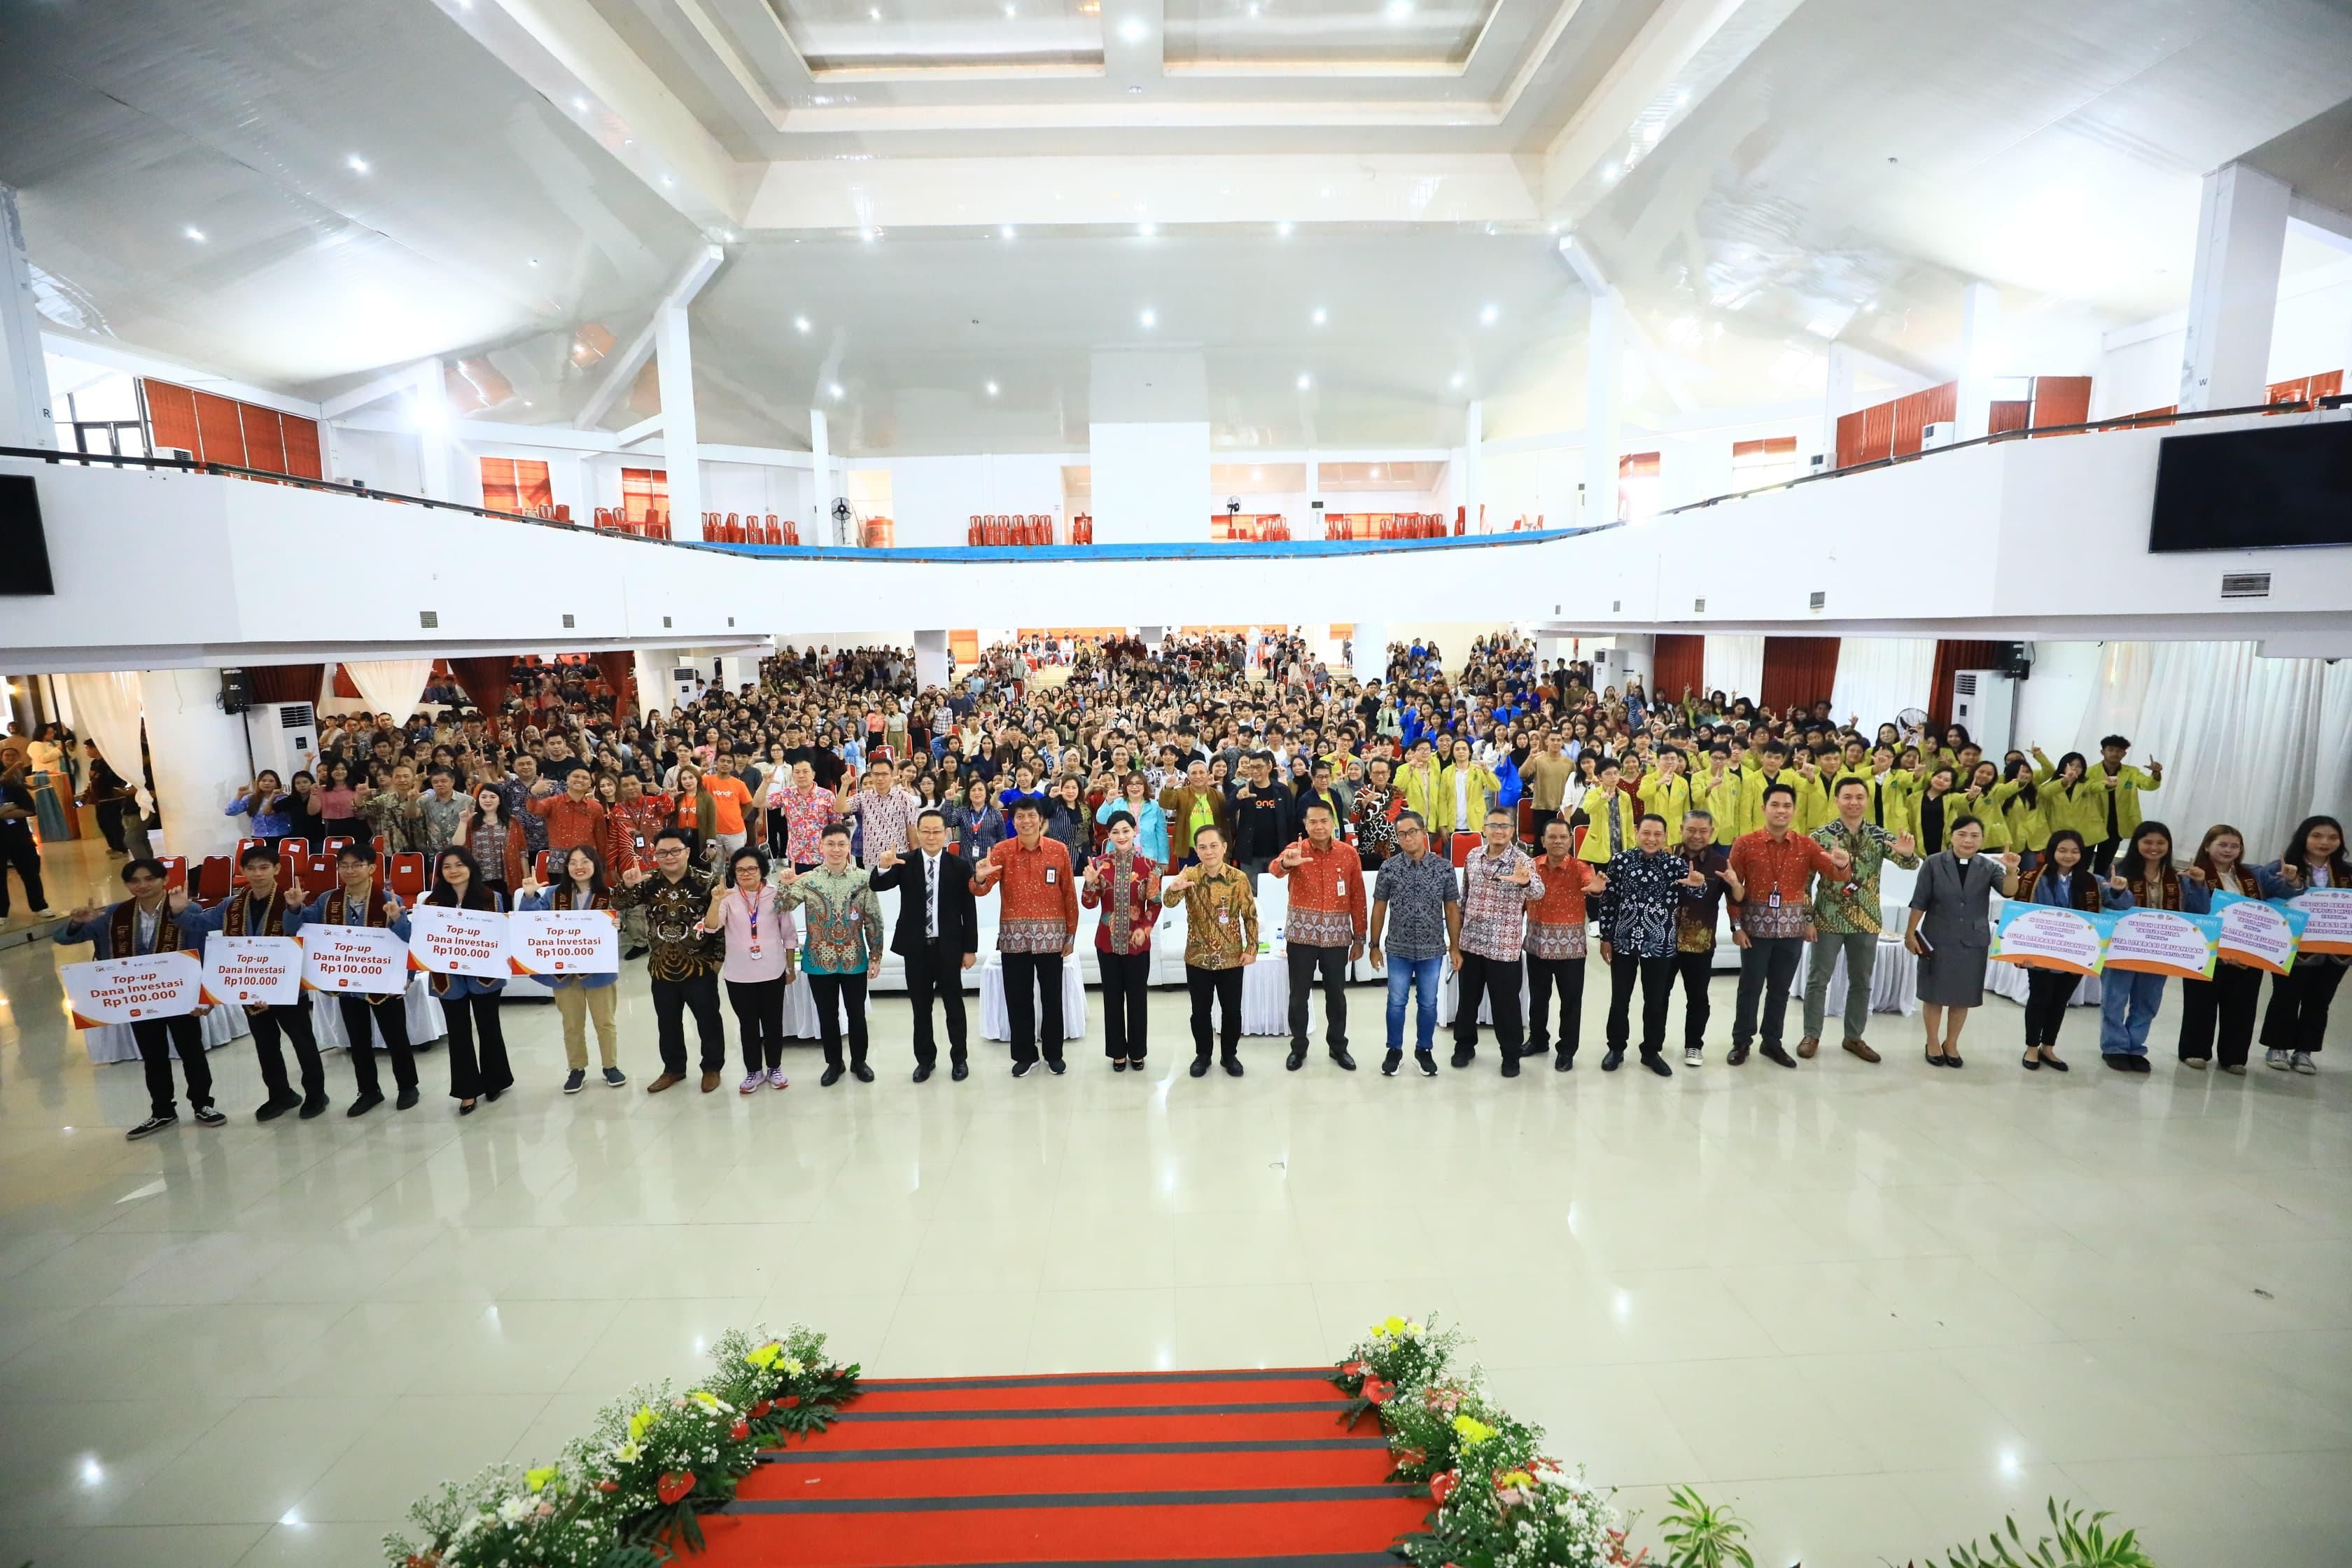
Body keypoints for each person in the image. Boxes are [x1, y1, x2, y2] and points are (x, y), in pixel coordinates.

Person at [55, 859, 227, 1138]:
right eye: (135, 881)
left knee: (191, 1050)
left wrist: (204, 995)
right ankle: (162, 1110)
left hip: (179, 995)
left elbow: (203, 952)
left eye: (149, 879)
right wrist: (76, 922)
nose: (142, 886)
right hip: (138, 998)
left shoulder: (186, 910)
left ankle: (203, 1105)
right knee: (153, 1055)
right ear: (126, 885)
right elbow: (63, 938)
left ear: (164, 879)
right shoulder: (115, 914)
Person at [179, 843, 326, 1119]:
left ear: (277, 869)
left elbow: (299, 930)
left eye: (264, 867)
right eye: (251, 868)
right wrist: (180, 911)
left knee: (302, 1041)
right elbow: (198, 924)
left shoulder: (291, 899)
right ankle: (280, 1094)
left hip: (286, 987)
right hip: (250, 986)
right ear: (242, 870)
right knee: (265, 1043)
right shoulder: (232, 905)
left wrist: (295, 909)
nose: (258, 874)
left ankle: (316, 1094)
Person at [1727, 783, 1850, 1068]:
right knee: (1750, 988)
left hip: (1791, 931)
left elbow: (1834, 873)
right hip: (1754, 931)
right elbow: (1733, 886)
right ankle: (1742, 1042)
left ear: (1794, 810)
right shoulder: (1745, 843)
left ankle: (1772, 1042)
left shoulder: (1806, 845)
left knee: (1780, 990)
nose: (1781, 811)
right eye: (1775, 805)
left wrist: (1842, 865)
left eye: (1787, 806)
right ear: (1764, 808)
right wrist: (1737, 927)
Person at [1800, 776, 1921, 1063]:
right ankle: (1811, 1035)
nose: (1853, 802)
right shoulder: (1820, 837)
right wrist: (1807, 918)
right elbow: (1805, 883)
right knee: (1819, 980)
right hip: (1828, 918)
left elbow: (1909, 864)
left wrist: (1908, 854)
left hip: (1866, 919)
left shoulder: (1880, 835)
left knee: (1862, 981)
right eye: (1847, 797)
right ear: (1836, 800)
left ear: (1866, 800)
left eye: (1859, 797)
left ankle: (1854, 1037)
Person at [301, 841, 421, 1114]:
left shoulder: (390, 900)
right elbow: (300, 927)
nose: (350, 870)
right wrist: (295, 908)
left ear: (372, 868)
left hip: (383, 981)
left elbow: (406, 940)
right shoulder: (327, 900)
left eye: (357, 865)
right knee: (358, 1040)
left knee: (395, 1037)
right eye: (344, 865)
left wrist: (408, 975)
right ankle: (369, 1091)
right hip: (348, 983)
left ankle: (407, 1086)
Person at [972, 794, 1081, 1077]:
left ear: (1041, 820)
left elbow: (1069, 893)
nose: (1026, 821)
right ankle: (1025, 1055)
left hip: (1051, 937)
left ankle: (1054, 1054)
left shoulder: (1058, 851)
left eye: (1031, 816)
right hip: (1014, 939)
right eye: (1020, 817)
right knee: (1018, 999)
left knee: (1052, 999)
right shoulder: (1002, 851)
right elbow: (980, 890)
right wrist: (981, 876)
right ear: (1013, 821)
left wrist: (1070, 935)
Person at [615, 827, 727, 1093]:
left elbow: (720, 922)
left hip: (699, 964)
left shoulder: (706, 881)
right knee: (667, 1022)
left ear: (687, 852)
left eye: (675, 851)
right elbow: (619, 902)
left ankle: (712, 1067)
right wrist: (627, 884)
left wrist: (718, 958)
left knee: (708, 1019)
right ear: (655, 855)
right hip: (661, 967)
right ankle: (673, 1069)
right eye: (663, 852)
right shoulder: (648, 881)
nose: (670, 857)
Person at [1905, 815, 2022, 1068]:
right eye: (1962, 834)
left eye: (1974, 836)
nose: (1968, 840)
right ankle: (1933, 1041)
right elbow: (1919, 900)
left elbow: (2009, 891)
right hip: (1938, 936)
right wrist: (1910, 932)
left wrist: (2012, 870)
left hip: (1972, 939)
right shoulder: (1934, 863)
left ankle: (1952, 1043)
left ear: (1982, 840)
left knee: (1962, 996)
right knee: (1934, 994)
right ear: (1952, 836)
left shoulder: (1989, 867)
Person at [872, 809, 980, 1082]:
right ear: (918, 834)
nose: (932, 837)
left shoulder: (960, 866)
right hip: (916, 949)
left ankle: (959, 1059)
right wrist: (884, 864)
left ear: (947, 834)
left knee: (954, 1006)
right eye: (926, 831)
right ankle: (925, 1060)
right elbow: (877, 885)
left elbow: (969, 910)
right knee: (921, 1009)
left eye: (937, 832)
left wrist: (970, 949)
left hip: (949, 948)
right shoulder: (904, 862)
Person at [1598, 813, 1708, 1075]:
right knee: (1620, 999)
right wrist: (1605, 938)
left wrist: (1698, 886)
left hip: (1659, 943)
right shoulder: (1621, 861)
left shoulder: (1674, 865)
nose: (1651, 839)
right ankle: (1616, 1048)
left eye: (1658, 834)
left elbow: (1693, 892)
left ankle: (1651, 1051)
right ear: (1637, 832)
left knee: (1655, 1001)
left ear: (1665, 836)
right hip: (1623, 940)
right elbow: (1609, 902)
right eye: (1646, 833)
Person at [2094, 819, 2205, 1072]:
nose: (2154, 848)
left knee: (2148, 1001)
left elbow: (2199, 911)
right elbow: (2109, 905)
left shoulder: (2179, 879)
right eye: (2148, 842)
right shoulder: (2119, 873)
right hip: (2123, 947)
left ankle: (2135, 1046)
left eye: (2160, 843)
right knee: (2115, 998)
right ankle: (2114, 1046)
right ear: (2137, 844)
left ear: (2168, 846)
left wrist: (2199, 885)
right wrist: (2118, 892)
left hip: (2161, 951)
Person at [774, 825, 881, 1086]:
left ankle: (859, 1062)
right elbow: (781, 907)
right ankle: (834, 1063)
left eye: (841, 844)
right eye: (830, 844)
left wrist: (876, 956)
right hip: (819, 960)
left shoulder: (863, 879)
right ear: (821, 847)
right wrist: (785, 885)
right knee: (827, 1014)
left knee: (856, 1014)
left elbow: (874, 920)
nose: (836, 849)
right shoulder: (809, 879)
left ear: (848, 847)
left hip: (854, 958)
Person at [515, 845, 627, 1093]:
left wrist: (620, 925)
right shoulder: (554, 894)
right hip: (564, 973)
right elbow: (532, 923)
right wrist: (531, 896)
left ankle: (611, 1066)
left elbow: (622, 925)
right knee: (572, 1024)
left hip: (598, 971)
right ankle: (577, 1068)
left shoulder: (608, 894)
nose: (579, 867)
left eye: (585, 861)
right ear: (566, 868)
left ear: (595, 865)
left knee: (605, 1022)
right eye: (573, 862)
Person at [1270, 799, 1365, 1072]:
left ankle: (1338, 1047)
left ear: (1333, 822)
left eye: (1324, 821)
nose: (1319, 826)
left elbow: (1357, 895)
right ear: (1305, 824)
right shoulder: (1295, 849)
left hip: (1336, 937)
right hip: (1301, 936)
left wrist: (1359, 937)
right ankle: (1298, 1047)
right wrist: (1288, 865)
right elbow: (1275, 870)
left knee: (1336, 995)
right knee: (1298, 995)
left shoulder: (1348, 853)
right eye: (1313, 821)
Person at [420, 846, 512, 1114]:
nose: (454, 871)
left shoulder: (490, 897)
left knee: (489, 1028)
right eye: (447, 867)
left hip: (484, 975)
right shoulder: (431, 903)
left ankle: (496, 1081)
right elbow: (422, 940)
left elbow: (501, 934)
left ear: (471, 867)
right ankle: (467, 1091)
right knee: (458, 1034)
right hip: (447, 978)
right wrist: (398, 920)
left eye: (459, 865)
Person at [1452, 806, 1545, 1076]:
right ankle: (1464, 1046)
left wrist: (1525, 883)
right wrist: (1456, 942)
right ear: (1484, 829)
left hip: (1504, 946)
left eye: (1505, 826)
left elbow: (1539, 891)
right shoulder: (1472, 856)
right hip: (1471, 942)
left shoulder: (1522, 860)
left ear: (1513, 831)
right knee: (1468, 999)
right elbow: (1464, 898)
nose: (1499, 831)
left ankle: (1511, 1055)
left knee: (1506, 1003)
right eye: (1493, 825)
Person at [1366, 811, 1460, 1078]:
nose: (1407, 838)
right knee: (1396, 1002)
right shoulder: (1389, 868)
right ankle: (1394, 1050)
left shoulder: (1443, 868)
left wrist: (1454, 946)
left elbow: (1452, 910)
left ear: (1423, 832)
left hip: (1432, 949)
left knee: (1429, 1003)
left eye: (1412, 832)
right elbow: (1379, 908)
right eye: (1401, 834)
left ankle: (1424, 1050)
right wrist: (1374, 945)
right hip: (1398, 948)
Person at [699, 846, 797, 1095]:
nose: (745, 874)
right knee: (748, 1025)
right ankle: (753, 1070)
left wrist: (789, 967)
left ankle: (775, 1068)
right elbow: (711, 928)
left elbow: (789, 934)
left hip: (773, 971)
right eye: (740, 869)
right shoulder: (728, 898)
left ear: (761, 870)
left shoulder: (776, 894)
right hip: (739, 975)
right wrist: (716, 901)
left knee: (774, 1023)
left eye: (751, 868)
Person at [1161, 822, 1256, 1076]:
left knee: (1232, 1012)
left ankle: (1229, 1055)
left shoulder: (1239, 879)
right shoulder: (1190, 875)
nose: (1209, 851)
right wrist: (1174, 887)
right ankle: (1203, 1054)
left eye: (1214, 845)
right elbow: (1168, 903)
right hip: (1198, 957)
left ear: (1224, 847)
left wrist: (1252, 948)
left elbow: (1250, 917)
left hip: (1232, 958)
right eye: (1202, 847)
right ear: (1196, 850)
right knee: (1199, 1012)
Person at [2255, 815, 2346, 1074]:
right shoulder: (2282, 865)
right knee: (2286, 995)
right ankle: (2277, 1046)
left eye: (2332, 837)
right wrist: (2288, 881)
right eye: (2317, 836)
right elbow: (2266, 897)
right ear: (2304, 837)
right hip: (2291, 946)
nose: (2325, 842)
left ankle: (2305, 1050)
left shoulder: (2347, 873)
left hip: (2335, 951)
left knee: (2320, 1000)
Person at [2174, 825, 2262, 1074]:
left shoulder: (2252, 875)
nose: (2229, 850)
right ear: (2207, 846)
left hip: (2247, 951)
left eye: (2235, 846)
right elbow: (2195, 911)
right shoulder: (2192, 875)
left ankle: (2234, 1056)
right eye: (2222, 844)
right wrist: (2200, 884)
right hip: (2208, 949)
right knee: (2200, 1002)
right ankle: (2195, 1050)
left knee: (2243, 1005)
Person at [1080, 809, 1163, 1071]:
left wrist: (1145, 928)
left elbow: (1156, 903)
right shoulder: (1100, 865)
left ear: (1135, 831)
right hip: (1107, 943)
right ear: (1109, 835)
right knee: (1112, 999)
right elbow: (1089, 904)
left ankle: (1137, 1051)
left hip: (1138, 945)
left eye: (1126, 830)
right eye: (1115, 832)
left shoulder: (1150, 866)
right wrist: (1091, 884)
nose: (1121, 835)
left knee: (1138, 999)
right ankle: (1117, 1052)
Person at [2015, 830, 2098, 1072]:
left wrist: (2118, 890)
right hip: (2040, 953)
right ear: (2052, 851)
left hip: (2075, 953)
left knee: (2060, 1001)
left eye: (2075, 851)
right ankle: (2032, 1047)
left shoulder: (2091, 882)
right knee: (2040, 998)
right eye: (2063, 850)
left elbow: (2117, 904)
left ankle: (2048, 1047)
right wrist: (2019, 952)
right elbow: (2021, 913)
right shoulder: (2033, 878)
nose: (2069, 855)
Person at [1668, 808, 1739, 1068]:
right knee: (1658, 996)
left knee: (1698, 998)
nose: (1697, 836)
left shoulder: (1720, 863)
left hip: (1700, 941)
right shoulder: (1666, 856)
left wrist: (1735, 883)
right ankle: (1652, 1045)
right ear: (1681, 829)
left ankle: (1694, 1046)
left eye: (1703, 831)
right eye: (1691, 830)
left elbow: (1738, 899)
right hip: (1664, 940)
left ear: (1711, 833)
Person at [2085, 735, 2163, 876]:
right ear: (2103, 752)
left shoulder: (2132, 772)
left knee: (2104, 864)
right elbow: (2087, 788)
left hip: (2116, 826)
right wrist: (2105, 785)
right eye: (2111, 749)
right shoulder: (2090, 772)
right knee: (2083, 861)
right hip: (2091, 823)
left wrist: (2156, 774)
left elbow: (2148, 785)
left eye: (2119, 751)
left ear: (2124, 754)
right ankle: (2079, 892)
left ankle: (2098, 892)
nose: (2115, 753)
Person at [839, 760, 923, 869]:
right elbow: (840, 808)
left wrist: (916, 859)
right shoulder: (863, 797)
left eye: (884, 774)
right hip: (872, 859)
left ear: (892, 774)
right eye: (876, 774)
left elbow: (912, 831)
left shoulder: (904, 798)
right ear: (871, 775)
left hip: (899, 857)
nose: (880, 778)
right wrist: (844, 786)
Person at [1228, 754, 1296, 890]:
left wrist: (1290, 849)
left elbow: (1291, 821)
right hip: (1250, 855)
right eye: (1251, 767)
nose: (1255, 771)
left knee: (1277, 892)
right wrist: (1238, 799)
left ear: (1269, 767)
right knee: (1252, 895)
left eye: (1259, 767)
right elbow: (1227, 813)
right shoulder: (1242, 790)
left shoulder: (1282, 791)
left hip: (1277, 854)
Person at [0, 762, 50, 920]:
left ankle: (40, 906)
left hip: (19, 837)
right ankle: (2, 913)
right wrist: (8, 809)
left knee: (30, 873)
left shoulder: (14, 788)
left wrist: (4, 814)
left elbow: (30, 809)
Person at [1160, 758, 1230, 869]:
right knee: (1190, 883)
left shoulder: (1218, 796)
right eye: (1194, 773)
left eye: (1202, 772)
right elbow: (1166, 804)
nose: (1198, 776)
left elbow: (1225, 825)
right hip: (1189, 850)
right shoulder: (1181, 793)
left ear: (1208, 774)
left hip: (1214, 850)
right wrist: (1168, 789)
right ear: (1188, 776)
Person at [1575, 755, 1640, 866]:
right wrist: (1602, 799)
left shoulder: (1625, 797)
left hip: (1620, 845)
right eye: (1608, 774)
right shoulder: (1593, 794)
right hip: (1599, 848)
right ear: (1600, 777)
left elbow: (1629, 825)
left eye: (1616, 773)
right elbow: (1587, 809)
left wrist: (1632, 849)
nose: (1613, 777)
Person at [1096, 773, 1168, 867]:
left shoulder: (1154, 806)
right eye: (1130, 784)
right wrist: (1108, 800)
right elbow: (1101, 819)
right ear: (1126, 786)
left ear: (1145, 786)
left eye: (1139, 783)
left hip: (1148, 857)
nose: (1134, 787)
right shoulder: (1117, 803)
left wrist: (1163, 860)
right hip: (1118, 856)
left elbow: (1162, 835)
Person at [224, 770, 293, 852]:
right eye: (263, 781)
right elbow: (230, 811)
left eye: (271, 781)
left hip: (281, 837)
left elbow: (292, 819)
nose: (267, 783)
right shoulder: (251, 799)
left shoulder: (283, 798)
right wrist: (240, 795)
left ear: (277, 783)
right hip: (258, 839)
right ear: (258, 783)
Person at [948, 778, 1004, 866]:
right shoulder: (962, 812)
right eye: (973, 790)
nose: (977, 793)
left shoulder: (996, 814)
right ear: (969, 794)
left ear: (986, 793)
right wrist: (949, 800)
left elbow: (1002, 841)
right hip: (967, 864)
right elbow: (947, 822)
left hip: (989, 864)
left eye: (981, 789)